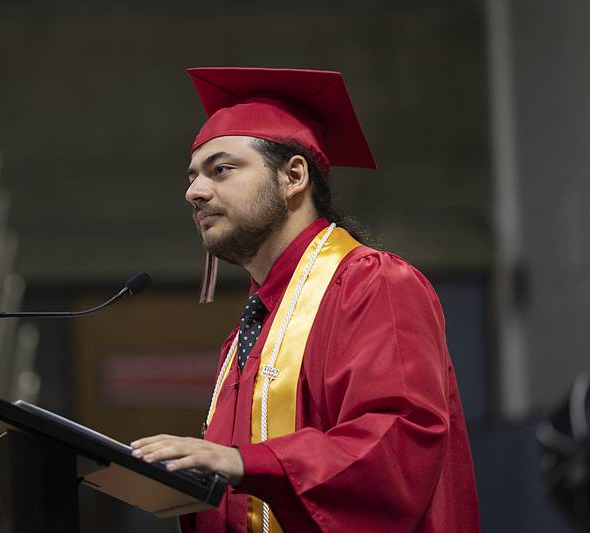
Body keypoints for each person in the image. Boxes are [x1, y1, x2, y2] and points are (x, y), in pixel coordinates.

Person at [130, 68, 481, 532]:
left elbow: (396, 444)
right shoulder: (249, 332)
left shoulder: (374, 284)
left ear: (293, 176)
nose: (193, 192)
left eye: (221, 169)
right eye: (193, 177)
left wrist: (245, 462)